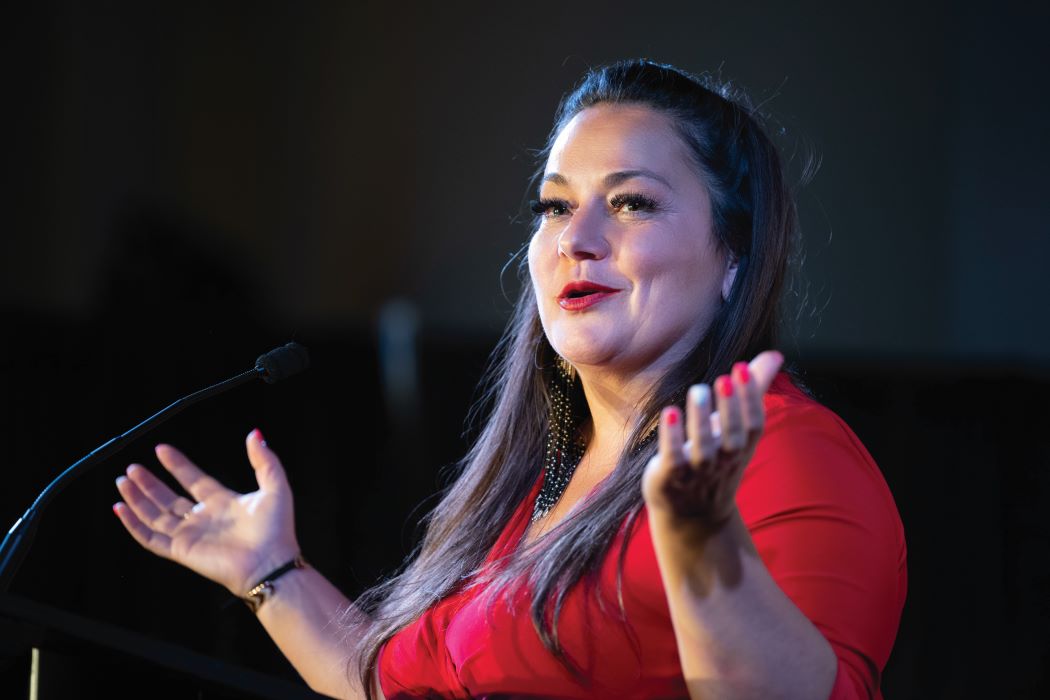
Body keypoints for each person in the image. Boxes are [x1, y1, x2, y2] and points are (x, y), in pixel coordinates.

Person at [112, 59, 906, 699]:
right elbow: (393, 683)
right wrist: (271, 572)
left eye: (631, 204)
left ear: (733, 256)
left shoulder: (789, 457)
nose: (578, 240)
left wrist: (701, 548)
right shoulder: (542, 478)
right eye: (554, 208)